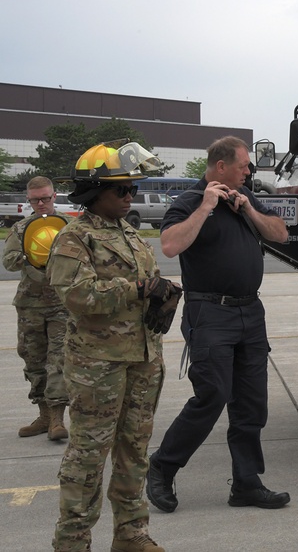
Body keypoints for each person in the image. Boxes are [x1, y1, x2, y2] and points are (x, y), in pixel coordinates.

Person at [48, 141, 181, 552]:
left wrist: (160, 294)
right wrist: (138, 288)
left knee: (135, 452)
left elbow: (145, 284)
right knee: (88, 457)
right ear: (94, 192)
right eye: (121, 190)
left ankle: (130, 534)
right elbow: (76, 296)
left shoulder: (130, 234)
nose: (130, 197)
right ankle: (72, 541)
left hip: (142, 360)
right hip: (97, 367)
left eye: (133, 189)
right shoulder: (74, 238)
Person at [146, 136, 290, 513]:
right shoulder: (190, 202)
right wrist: (207, 206)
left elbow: (280, 233)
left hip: (249, 313)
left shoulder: (244, 198)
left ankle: (246, 483)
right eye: (243, 165)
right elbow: (170, 245)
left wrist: (248, 211)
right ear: (221, 166)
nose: (249, 171)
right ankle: (163, 464)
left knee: (251, 403)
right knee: (212, 395)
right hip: (210, 314)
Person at [2, 175, 69, 440]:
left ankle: (56, 420)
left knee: (59, 360)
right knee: (33, 360)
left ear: (54, 196)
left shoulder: (69, 226)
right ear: (28, 200)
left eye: (46, 198)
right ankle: (43, 416)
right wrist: (29, 258)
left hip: (62, 305)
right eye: (35, 199)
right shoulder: (20, 229)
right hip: (29, 306)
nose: (41, 203)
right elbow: (8, 261)